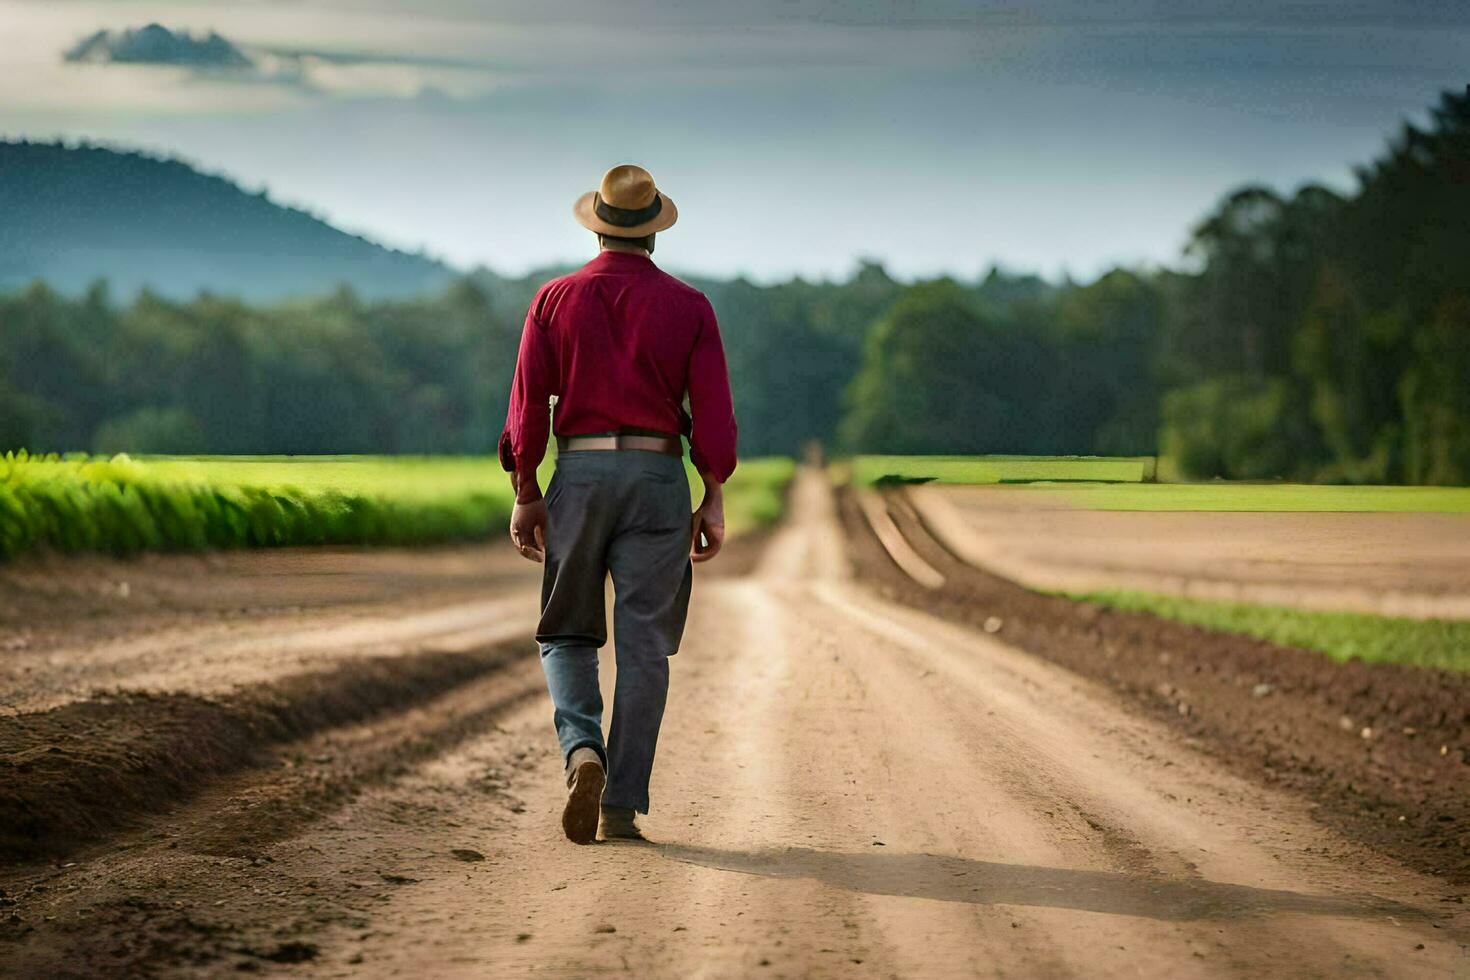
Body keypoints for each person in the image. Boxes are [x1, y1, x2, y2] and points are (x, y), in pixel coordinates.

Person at [498, 164, 738, 845]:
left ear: (597, 228)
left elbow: (526, 409)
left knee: (566, 630)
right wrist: (713, 493)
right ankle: (622, 804)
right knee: (645, 648)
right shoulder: (691, 307)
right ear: (654, 232)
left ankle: (582, 752)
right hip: (659, 478)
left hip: (579, 470)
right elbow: (714, 417)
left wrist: (526, 491)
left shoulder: (552, 300)